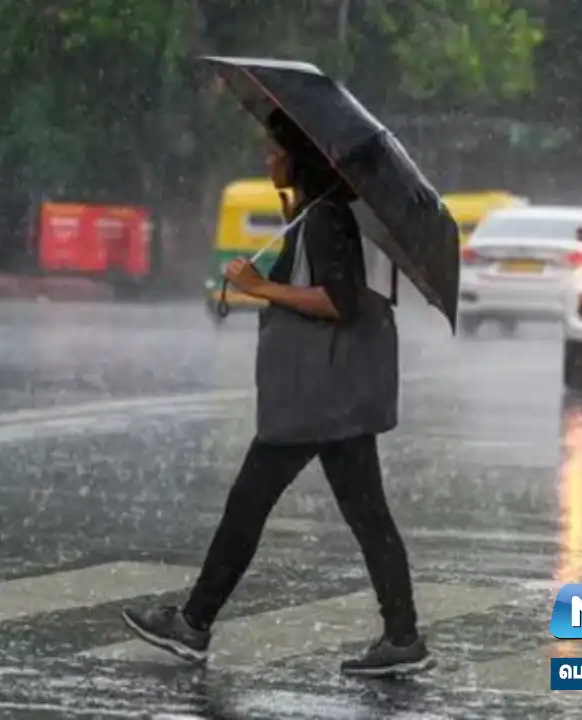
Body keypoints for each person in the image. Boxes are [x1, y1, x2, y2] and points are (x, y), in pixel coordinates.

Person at [120, 111, 433, 678]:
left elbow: (338, 301)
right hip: (333, 393)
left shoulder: (326, 218)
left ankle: (194, 623)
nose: (266, 161)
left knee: (251, 504)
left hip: (316, 394)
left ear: (298, 158)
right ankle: (402, 635)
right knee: (366, 516)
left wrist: (260, 287)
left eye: (273, 152)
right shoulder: (317, 213)